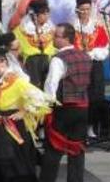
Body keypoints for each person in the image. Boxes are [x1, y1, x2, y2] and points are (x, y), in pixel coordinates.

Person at [0, 47, 54, 182]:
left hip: (12, 125)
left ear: (5, 62)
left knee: (13, 162)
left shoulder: (17, 81)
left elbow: (41, 97)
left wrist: (24, 111)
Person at [41, 23, 93, 182]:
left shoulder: (58, 59)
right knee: (77, 149)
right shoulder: (85, 56)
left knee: (53, 148)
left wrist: (46, 107)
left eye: (56, 35)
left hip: (64, 109)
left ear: (66, 39)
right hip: (82, 108)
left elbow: (51, 85)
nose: (53, 38)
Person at [71, 0, 110, 138]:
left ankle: (90, 127)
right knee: (78, 97)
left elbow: (105, 49)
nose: (85, 12)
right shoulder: (72, 29)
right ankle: (77, 128)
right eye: (83, 9)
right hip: (77, 66)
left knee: (96, 97)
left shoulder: (98, 28)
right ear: (77, 11)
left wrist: (91, 53)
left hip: (94, 66)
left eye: (88, 9)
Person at [14, 0, 57, 87]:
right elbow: (16, 51)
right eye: (44, 13)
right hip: (31, 64)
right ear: (34, 16)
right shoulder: (21, 30)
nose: (47, 16)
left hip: (49, 63)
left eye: (48, 13)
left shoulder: (52, 29)